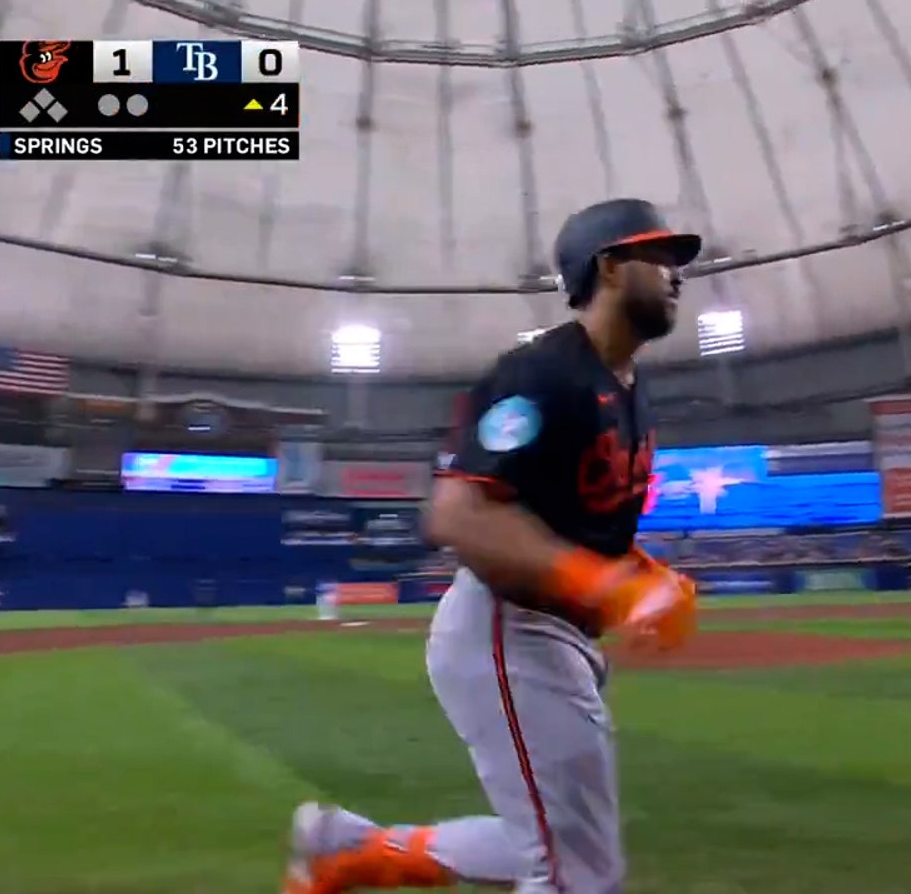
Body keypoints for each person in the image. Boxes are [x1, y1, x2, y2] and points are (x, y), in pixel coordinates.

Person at [282, 198, 703, 894]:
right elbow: (459, 513)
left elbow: (577, 522)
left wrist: (642, 572)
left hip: (558, 636)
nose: (676, 274)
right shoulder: (540, 374)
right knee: (579, 875)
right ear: (606, 266)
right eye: (657, 257)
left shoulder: (628, 387)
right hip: (511, 628)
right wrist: (603, 585)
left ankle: (351, 850)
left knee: (552, 846)